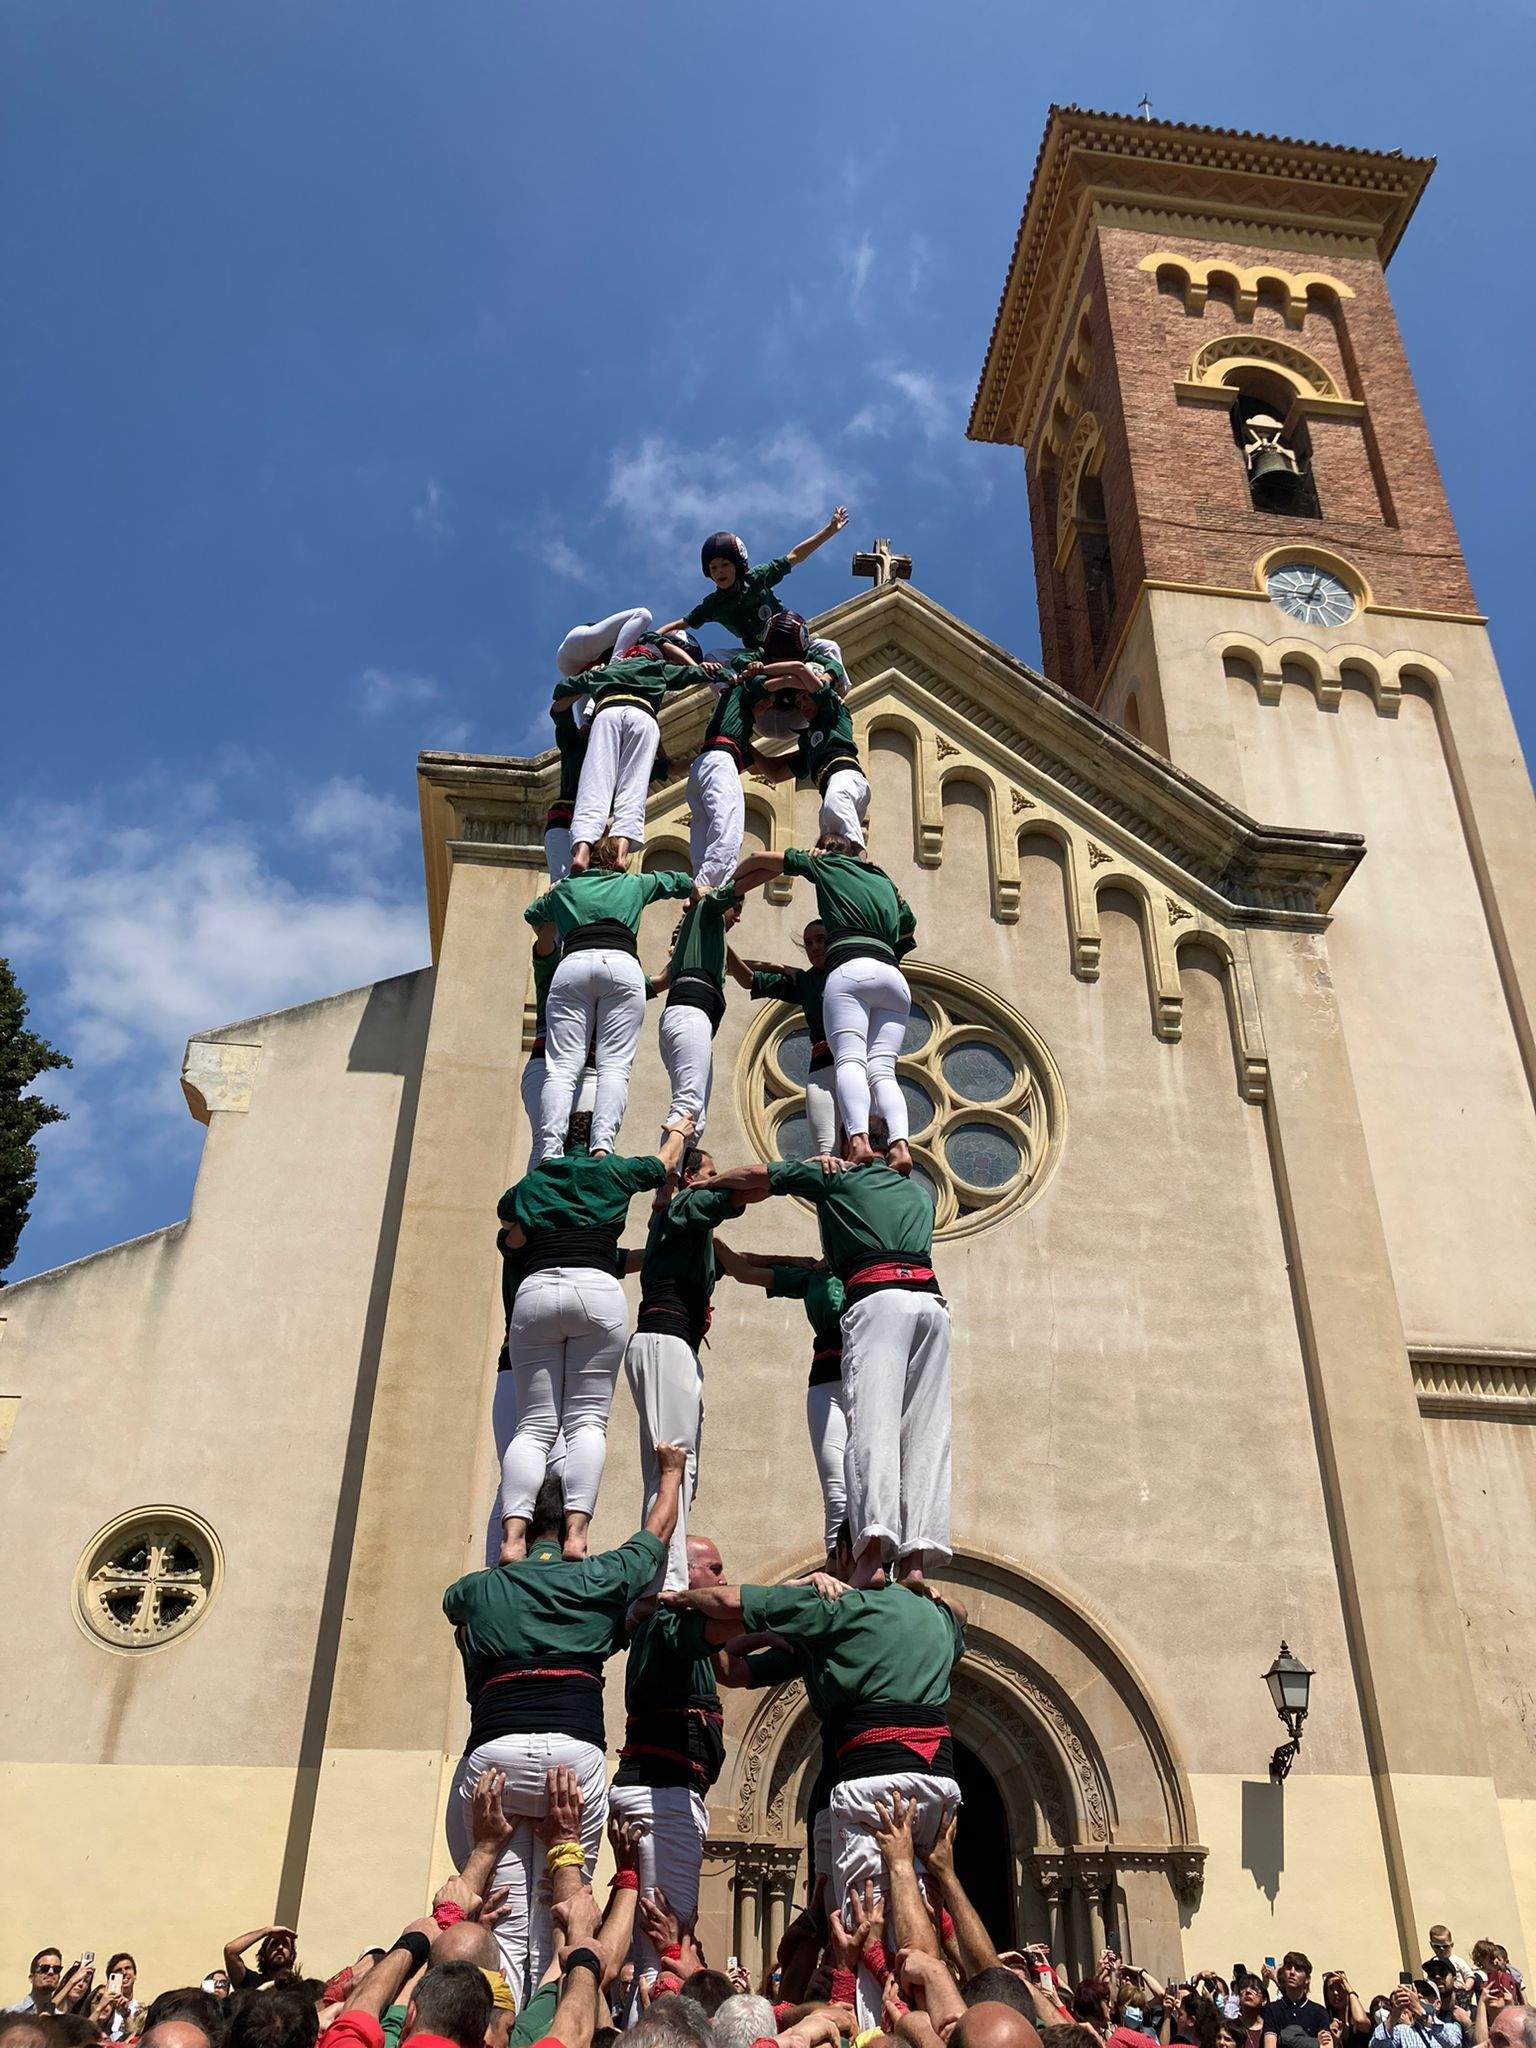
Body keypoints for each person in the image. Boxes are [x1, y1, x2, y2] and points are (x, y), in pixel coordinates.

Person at [665, 1570, 965, 2031]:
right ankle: (870, 2015)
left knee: (917, 1901)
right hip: (844, 1790)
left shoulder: (898, 1612)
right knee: (845, 1920)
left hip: (875, 1781)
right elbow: (729, 1666)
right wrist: (790, 1614)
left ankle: (902, 2017)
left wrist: (929, 1592)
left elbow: (959, 1615)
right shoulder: (823, 1620)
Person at [442, 1445, 688, 2003]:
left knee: (496, 1916)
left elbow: (453, 1602)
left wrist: (506, 1562)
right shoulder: (598, 1578)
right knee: (565, 1901)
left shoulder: (482, 1588)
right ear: (573, 1527)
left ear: (521, 1529)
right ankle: (555, 2019)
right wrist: (671, 1473)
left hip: (496, 1757)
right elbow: (654, 1537)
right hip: (571, 1758)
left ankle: (495, 2021)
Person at [707, 1151, 950, 1587]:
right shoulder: (913, 1198)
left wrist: (703, 1190)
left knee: (874, 1442)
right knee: (895, 1448)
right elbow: (743, 1268)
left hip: (875, 1326)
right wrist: (705, 1234)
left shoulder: (838, 1187)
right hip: (869, 1347)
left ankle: (873, 1554)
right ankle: (857, 1558)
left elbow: (757, 1176)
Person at [494, 1119, 693, 1561]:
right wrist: (680, 1129)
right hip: (596, 1291)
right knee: (586, 1421)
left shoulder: (536, 1180)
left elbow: (507, 1216)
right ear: (601, 1144)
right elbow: (662, 1165)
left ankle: (512, 1540)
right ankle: (577, 1533)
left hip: (538, 1290)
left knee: (534, 1427)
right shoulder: (612, 1171)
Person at [732, 838, 916, 1172]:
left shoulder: (829, 865)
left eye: (821, 939)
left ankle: (859, 1142)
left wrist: (726, 894)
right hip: (892, 977)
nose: (816, 946)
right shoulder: (882, 880)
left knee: (850, 1059)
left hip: (852, 972)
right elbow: (908, 924)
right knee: (883, 1070)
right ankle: (900, 1146)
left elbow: (759, 858)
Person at [607, 1536, 732, 1992]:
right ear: (685, 1573)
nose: (723, 1578)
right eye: (714, 1568)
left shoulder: (673, 1630)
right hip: (663, 1798)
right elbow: (733, 1612)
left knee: (656, 1944)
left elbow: (740, 1649)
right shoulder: (669, 1625)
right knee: (665, 1952)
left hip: (660, 1795)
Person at [526, 845, 699, 1163]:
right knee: (614, 1067)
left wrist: (556, 895)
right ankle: (603, 1145)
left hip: (574, 963)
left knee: (562, 1068)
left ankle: (550, 1150)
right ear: (620, 860)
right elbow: (681, 882)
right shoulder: (635, 883)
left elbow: (532, 915)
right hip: (621, 964)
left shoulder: (568, 887)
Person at [622, 1147, 745, 1591]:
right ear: (691, 1178)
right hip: (664, 1339)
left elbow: (747, 1267)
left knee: (681, 1467)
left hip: (677, 1347)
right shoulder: (687, 1205)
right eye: (709, 1172)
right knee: (668, 1462)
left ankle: (666, 1574)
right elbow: (731, 1195)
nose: (715, 1178)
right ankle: (664, 1581)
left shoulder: (693, 1229)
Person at [714, 1244, 847, 1558]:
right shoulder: (812, 1276)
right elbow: (742, 1270)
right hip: (826, 1380)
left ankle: (881, 1567)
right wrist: (785, 1257)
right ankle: (836, 1562)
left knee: (871, 1482)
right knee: (836, 1487)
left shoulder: (871, 1266)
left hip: (869, 1379)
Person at [562, 632, 710, 873]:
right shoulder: (659, 668)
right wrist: (710, 671)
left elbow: (565, 688)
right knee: (634, 790)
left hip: (606, 713)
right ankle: (621, 852)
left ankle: (582, 851)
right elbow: (696, 674)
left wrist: (581, 683)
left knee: (594, 785)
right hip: (643, 715)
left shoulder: (611, 666)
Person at [654, 510, 848, 655]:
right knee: (715, 658)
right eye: (713, 568)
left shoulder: (758, 577)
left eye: (725, 565)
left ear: (737, 566)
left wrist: (829, 530)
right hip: (758, 655)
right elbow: (681, 624)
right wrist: (650, 641)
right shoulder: (713, 604)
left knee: (830, 647)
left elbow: (795, 556)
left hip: (792, 641)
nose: (719, 571)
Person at [728, 920, 837, 1157]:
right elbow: (749, 979)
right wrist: (720, 949)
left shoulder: (856, 968)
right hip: (821, 1067)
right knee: (827, 1154)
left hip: (856, 1061)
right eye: (808, 943)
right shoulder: (806, 981)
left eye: (821, 939)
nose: (815, 947)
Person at [650, 890, 742, 1147]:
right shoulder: (706, 915)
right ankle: (665, 1174)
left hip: (687, 1020)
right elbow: (714, 888)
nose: (738, 918)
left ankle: (678, 1172)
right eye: (736, 909)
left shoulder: (713, 948)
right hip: (690, 1016)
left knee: (697, 1117)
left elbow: (747, 975)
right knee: (688, 1103)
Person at [556, 606, 655, 686]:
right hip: (577, 649)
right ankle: (616, 661)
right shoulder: (648, 642)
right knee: (642, 614)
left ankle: (615, 662)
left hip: (574, 667)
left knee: (594, 705)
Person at [1262, 1956, 1330, 2048]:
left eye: (1298, 1969)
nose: (1292, 1972)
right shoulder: (1272, 2010)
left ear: (1307, 1979)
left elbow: (1327, 2046)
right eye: (1289, 1968)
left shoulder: (1319, 2012)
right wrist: (1315, 2043)